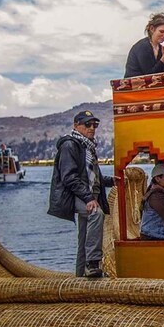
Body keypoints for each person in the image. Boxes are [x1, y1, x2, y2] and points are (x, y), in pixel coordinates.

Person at [47, 110, 114, 278]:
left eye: (95, 125)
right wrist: (89, 198)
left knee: (84, 238)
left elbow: (92, 176)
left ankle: (80, 278)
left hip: (88, 195)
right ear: (76, 125)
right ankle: (93, 263)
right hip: (77, 196)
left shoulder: (88, 147)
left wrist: (113, 181)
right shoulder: (70, 145)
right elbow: (69, 177)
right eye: (87, 124)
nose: (92, 128)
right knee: (96, 214)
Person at [124, 12, 164, 78]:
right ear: (152, 29)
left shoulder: (161, 49)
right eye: (162, 31)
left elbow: (161, 72)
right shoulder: (143, 46)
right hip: (135, 83)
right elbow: (149, 75)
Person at [140, 162, 164, 240]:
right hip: (153, 237)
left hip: (154, 235)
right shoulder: (156, 196)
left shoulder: (163, 192)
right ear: (157, 178)